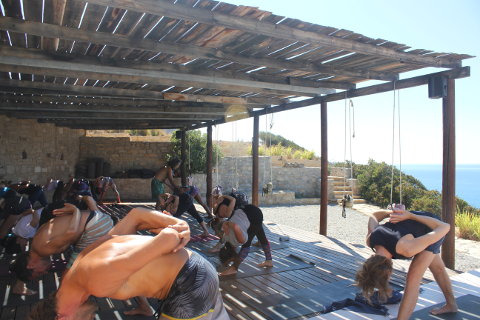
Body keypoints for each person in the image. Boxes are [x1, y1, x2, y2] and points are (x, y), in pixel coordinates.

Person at [27, 207, 228, 320]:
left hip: (191, 284)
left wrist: (178, 226)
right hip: (196, 272)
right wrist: (171, 225)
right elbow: (136, 216)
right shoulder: (80, 264)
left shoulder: (95, 279)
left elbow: (168, 238)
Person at [356, 207, 456, 320]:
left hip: (432, 225)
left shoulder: (406, 248)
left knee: (413, 278)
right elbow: (374, 216)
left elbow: (445, 227)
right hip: (410, 222)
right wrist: (392, 213)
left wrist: (411, 216)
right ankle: (451, 305)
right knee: (437, 269)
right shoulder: (371, 239)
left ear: (389, 272)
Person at [10, 200, 114, 286]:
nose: (45, 272)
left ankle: (65, 295)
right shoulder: (35, 242)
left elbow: (72, 232)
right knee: (76, 258)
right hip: (96, 220)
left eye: (40, 272)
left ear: (31, 265)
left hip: (97, 224)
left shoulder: (42, 249)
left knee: (74, 264)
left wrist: (75, 211)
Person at [214, 195, 273, 276]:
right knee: (260, 235)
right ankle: (269, 260)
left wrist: (227, 223)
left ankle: (234, 268)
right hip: (250, 211)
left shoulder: (237, 237)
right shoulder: (226, 236)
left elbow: (235, 230)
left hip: (253, 215)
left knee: (247, 243)